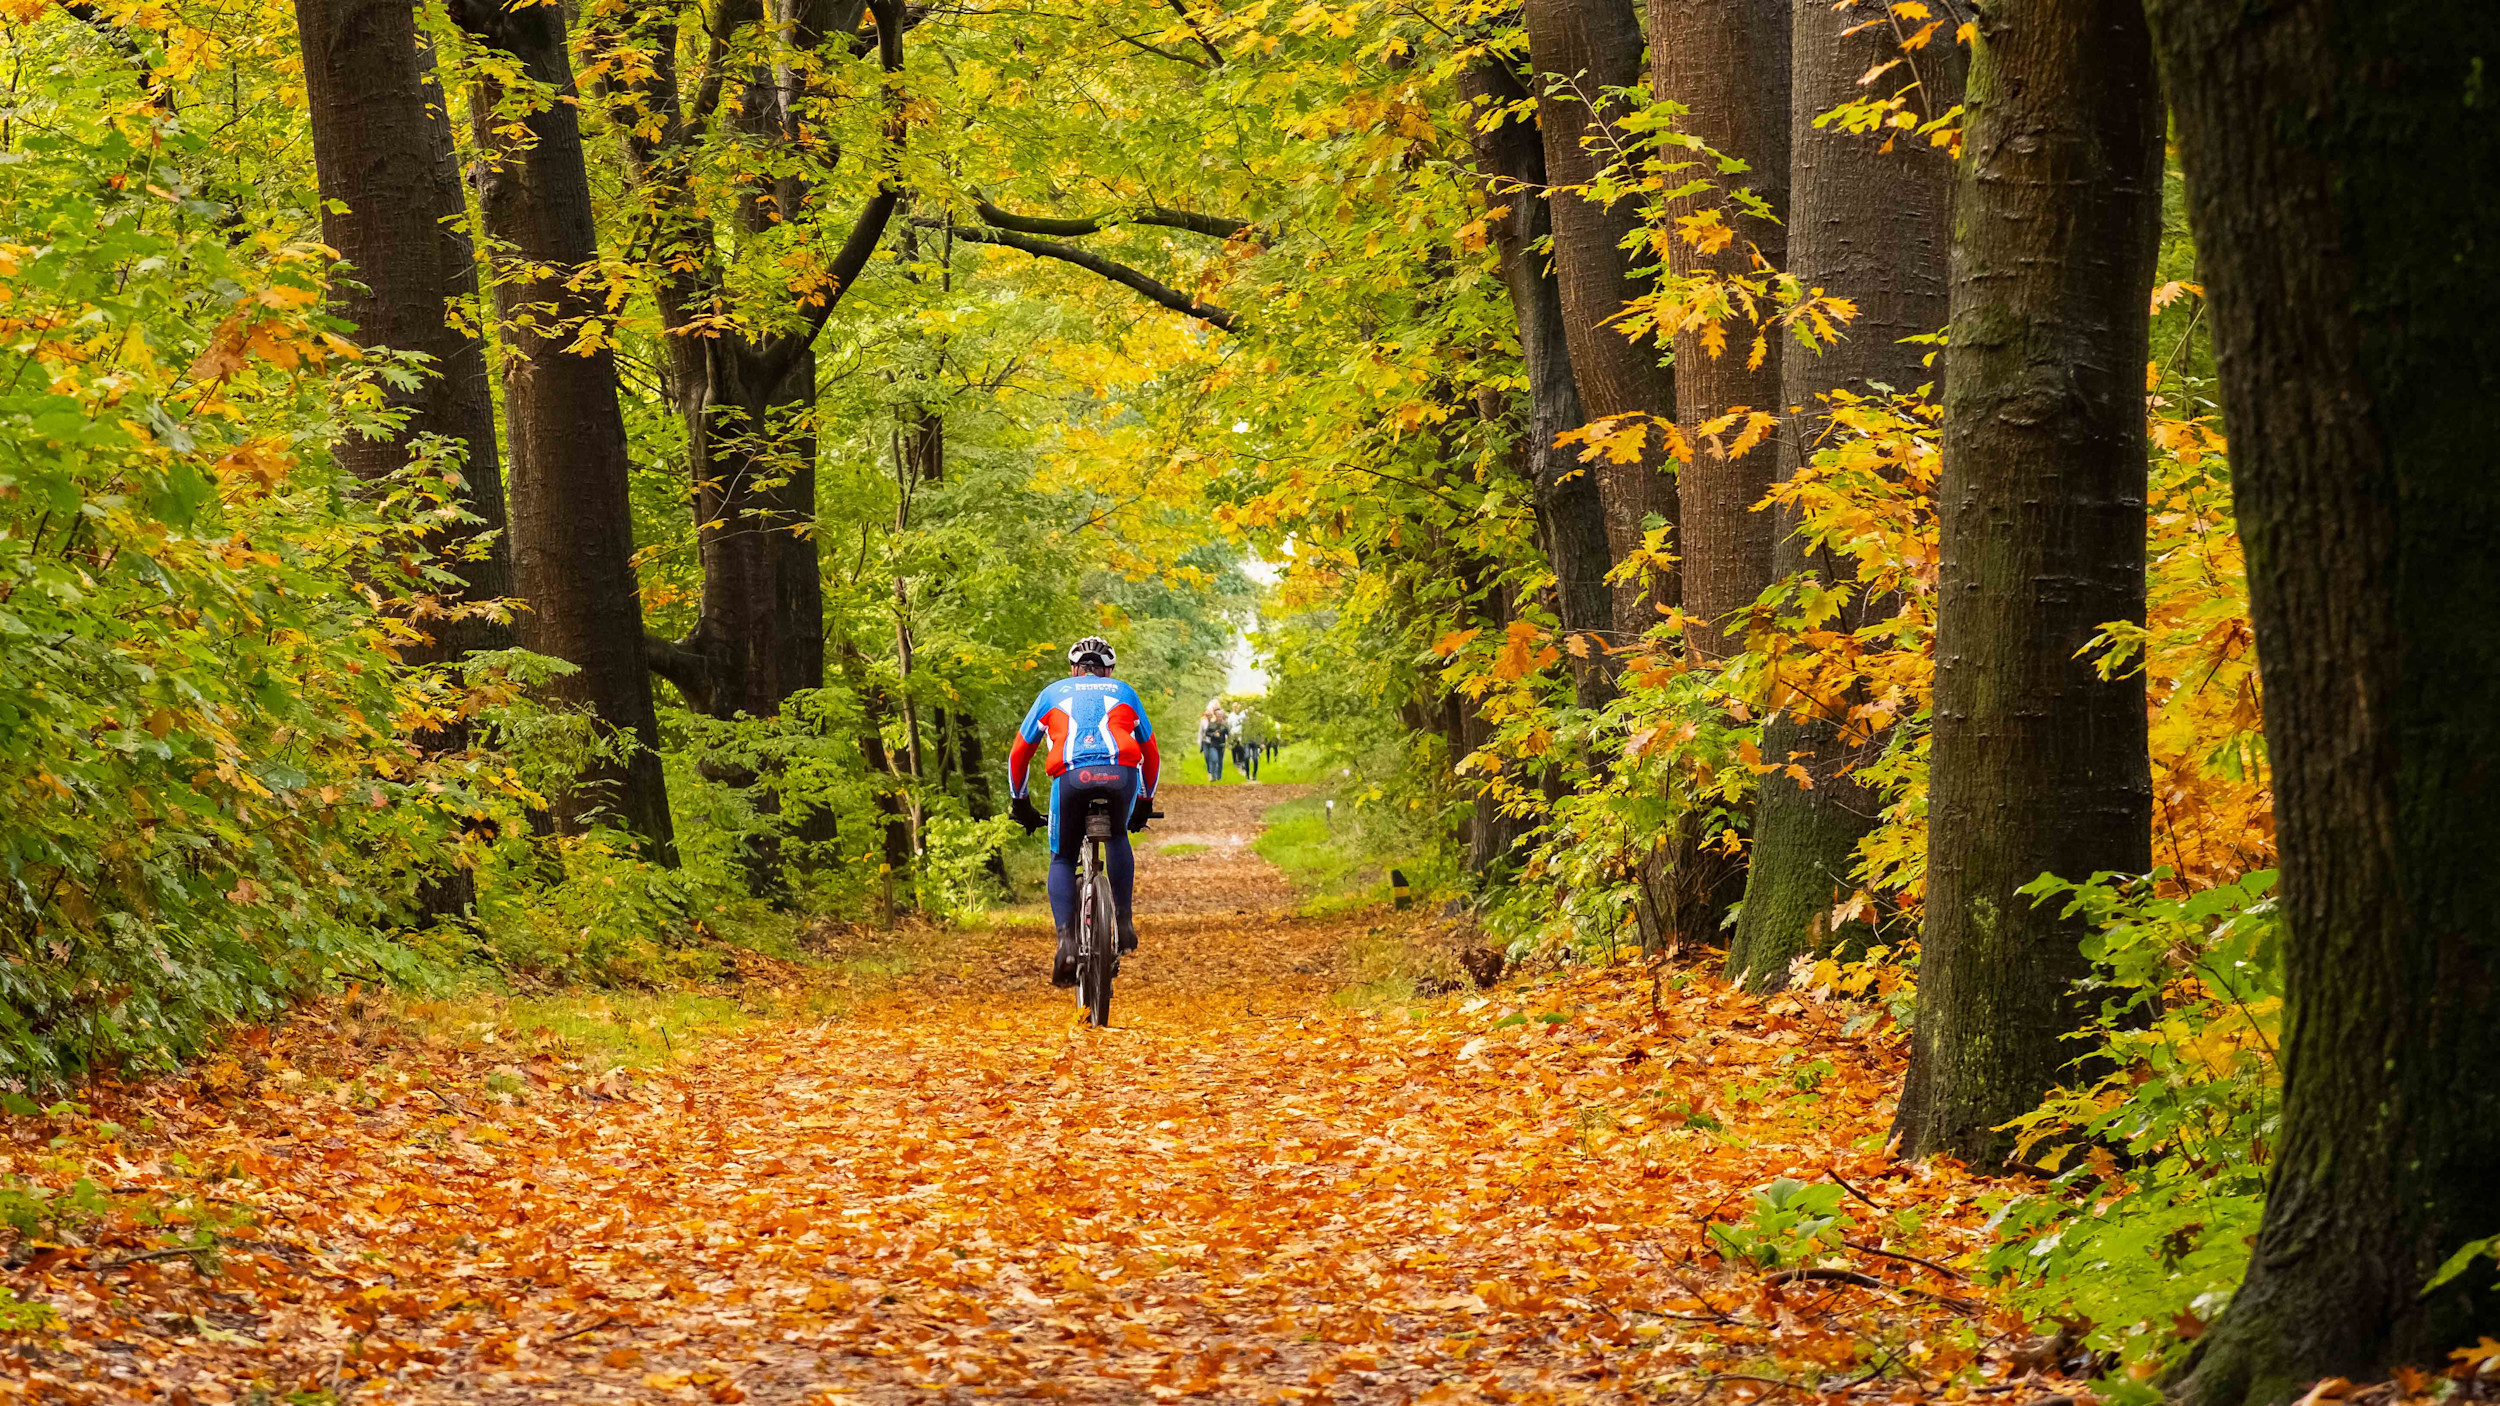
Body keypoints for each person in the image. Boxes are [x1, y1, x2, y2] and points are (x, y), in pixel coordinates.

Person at [1007, 637, 1159, 987]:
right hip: (1121, 773)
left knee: (1062, 858)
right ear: (1109, 670)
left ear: (1073, 669)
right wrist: (1145, 802)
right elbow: (1151, 753)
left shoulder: (1052, 693)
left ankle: (1066, 943)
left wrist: (1021, 803)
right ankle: (1122, 921)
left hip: (1072, 775)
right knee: (1118, 835)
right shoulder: (1125, 691)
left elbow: (1019, 754)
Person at [1196, 703, 1230, 783]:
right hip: (1213, 745)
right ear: (1216, 716)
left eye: (1221, 716)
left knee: (1220, 761)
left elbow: (1228, 734)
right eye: (1218, 716)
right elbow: (1207, 733)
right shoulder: (1212, 724)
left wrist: (1228, 741)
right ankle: (1213, 776)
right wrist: (1213, 735)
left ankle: (1219, 776)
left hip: (1221, 745)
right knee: (1214, 759)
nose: (1219, 717)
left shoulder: (1224, 725)